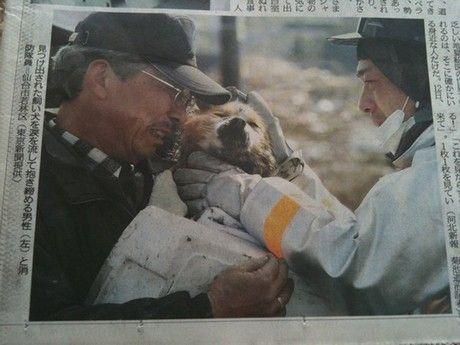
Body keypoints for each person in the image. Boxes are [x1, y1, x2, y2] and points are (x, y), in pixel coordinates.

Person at [175, 18, 450, 315]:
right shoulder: (431, 170)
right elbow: (358, 237)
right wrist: (292, 174)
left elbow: (352, 271)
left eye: (371, 82)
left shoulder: (436, 180)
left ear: (417, 79)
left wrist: (244, 193)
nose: (363, 104)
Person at [30, 12, 293, 320]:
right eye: (174, 92)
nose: (182, 116)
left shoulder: (162, 170)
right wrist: (208, 309)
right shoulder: (25, 187)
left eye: (188, 101)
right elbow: (38, 328)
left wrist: (287, 169)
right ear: (101, 79)